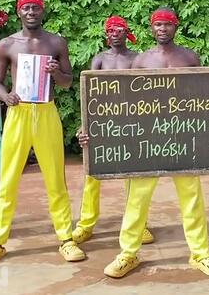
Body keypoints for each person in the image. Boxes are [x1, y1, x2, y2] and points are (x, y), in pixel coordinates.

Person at [103, 7, 209, 278]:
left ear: (176, 27)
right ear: (151, 28)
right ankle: (128, 254)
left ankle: (200, 253)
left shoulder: (190, 57)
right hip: (149, 137)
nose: (162, 29)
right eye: (158, 24)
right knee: (137, 197)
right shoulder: (142, 60)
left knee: (191, 196)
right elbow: (128, 102)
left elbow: (207, 99)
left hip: (184, 135)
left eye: (167, 24)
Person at [0, 0, 85, 266]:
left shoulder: (56, 42)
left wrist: (55, 72)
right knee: (8, 179)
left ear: (42, 10)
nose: (31, 12)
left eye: (35, 8)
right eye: (26, 8)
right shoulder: (8, 44)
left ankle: (66, 239)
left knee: (55, 178)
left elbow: (67, 81)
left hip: (46, 111)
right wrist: (5, 96)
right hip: (19, 112)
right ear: (19, 12)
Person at [73, 15, 155, 245]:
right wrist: (85, 123)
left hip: (131, 122)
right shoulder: (100, 59)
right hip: (102, 122)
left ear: (126, 33)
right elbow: (89, 92)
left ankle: (139, 224)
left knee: (133, 175)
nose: (114, 34)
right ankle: (86, 223)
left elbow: (146, 92)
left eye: (119, 30)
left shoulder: (137, 59)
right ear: (106, 35)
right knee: (93, 174)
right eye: (110, 31)